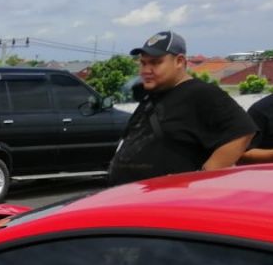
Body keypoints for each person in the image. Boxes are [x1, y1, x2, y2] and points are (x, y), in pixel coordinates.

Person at [107, 31, 257, 185]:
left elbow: (243, 131)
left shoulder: (200, 93)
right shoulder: (154, 93)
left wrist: (203, 178)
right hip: (130, 197)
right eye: (143, 63)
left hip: (165, 200)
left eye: (155, 62)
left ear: (179, 61)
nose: (146, 70)